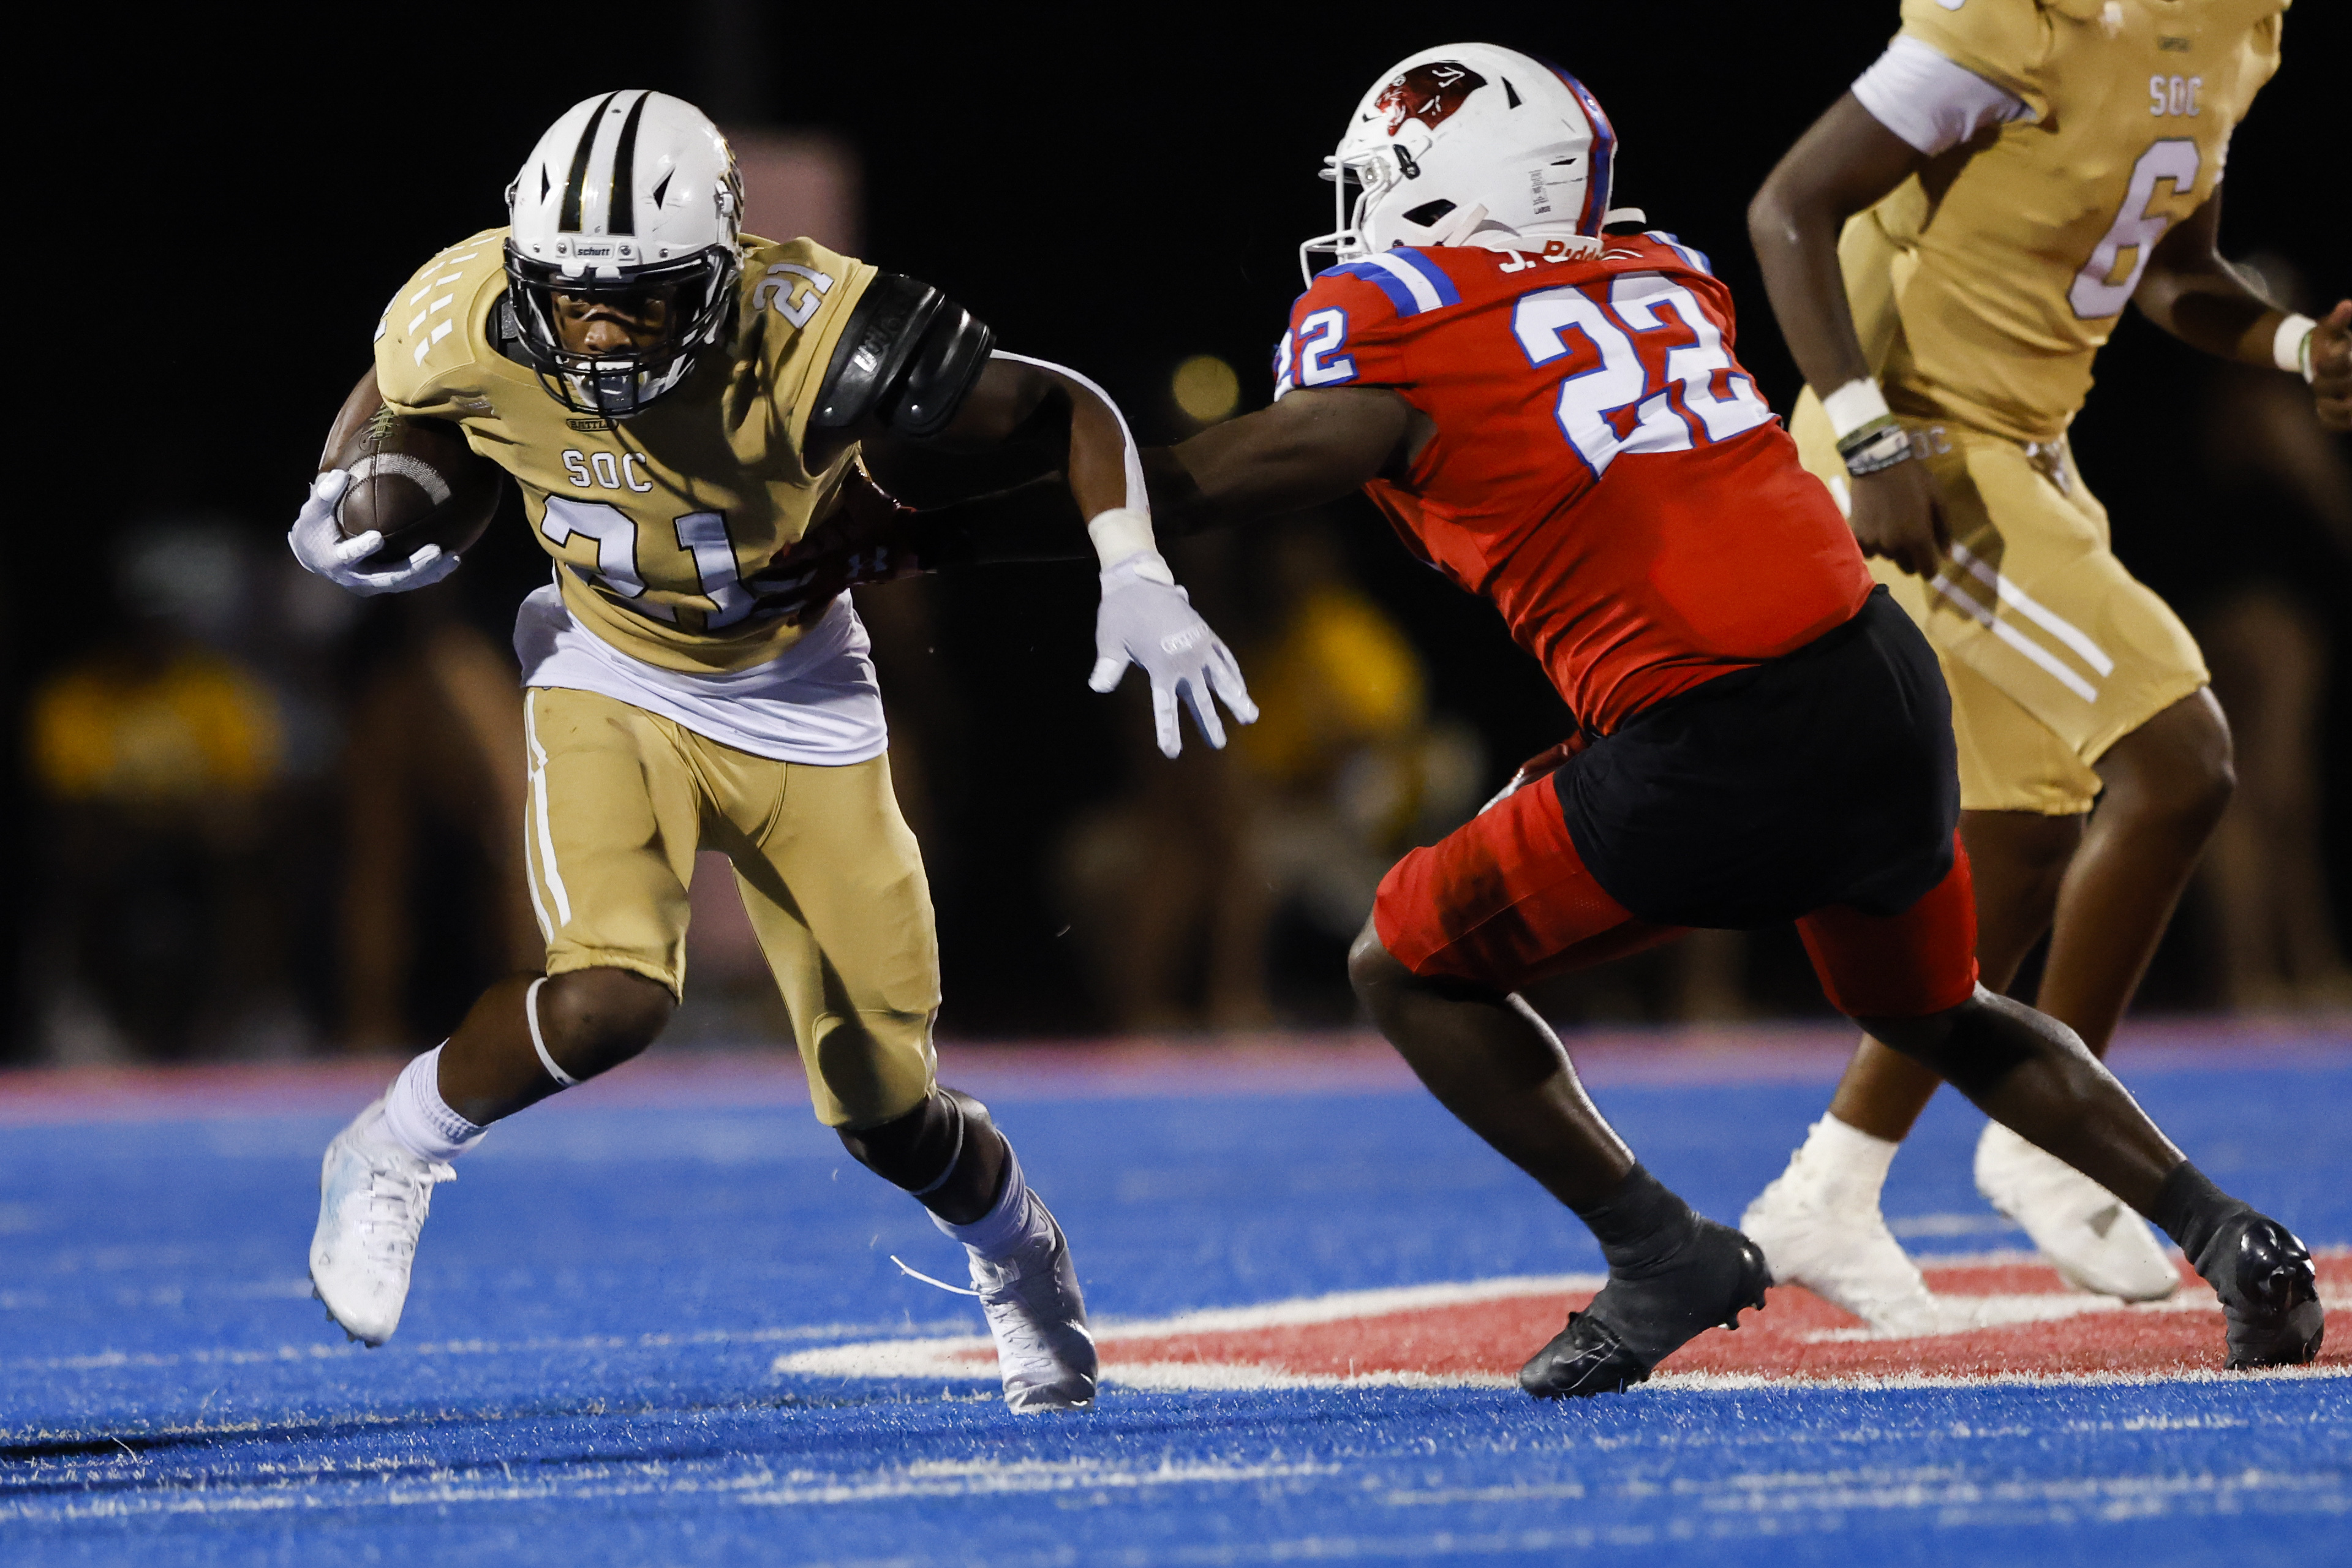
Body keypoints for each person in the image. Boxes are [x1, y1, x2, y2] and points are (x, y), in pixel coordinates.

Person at [771, 43, 2324, 1394]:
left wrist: (935, 529)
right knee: (1937, 1009)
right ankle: (2223, 1228)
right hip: (1876, 681)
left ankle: (1659, 1250)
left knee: (1405, 960)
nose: (1359, 221)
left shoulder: (1402, 329)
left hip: (1713, 736)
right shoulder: (1662, 276)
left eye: (1380, 185)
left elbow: (1206, 481)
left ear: (1440, 191)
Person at [287, 91, 1255, 1412]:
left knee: (888, 1108)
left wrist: (1130, 563)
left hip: (800, 695)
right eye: (575, 297)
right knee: (609, 994)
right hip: (606, 666)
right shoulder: (461, 308)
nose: (605, 328)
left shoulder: (813, 325)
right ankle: (390, 1147)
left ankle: (1020, 1253)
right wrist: (337, 501)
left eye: (642, 296)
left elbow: (1064, 403)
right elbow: (391, 400)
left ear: (723, 273)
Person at [1739, 0, 2350, 1329]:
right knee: (2181, 755)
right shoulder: (2016, 20)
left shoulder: (2235, 32)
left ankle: (1830, 1182)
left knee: (2018, 841)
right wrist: (1868, 434)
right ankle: (2056, 1140)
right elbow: (1790, 207)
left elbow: (2175, 272)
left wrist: (2296, 344)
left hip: (2027, 451)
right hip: (1920, 450)